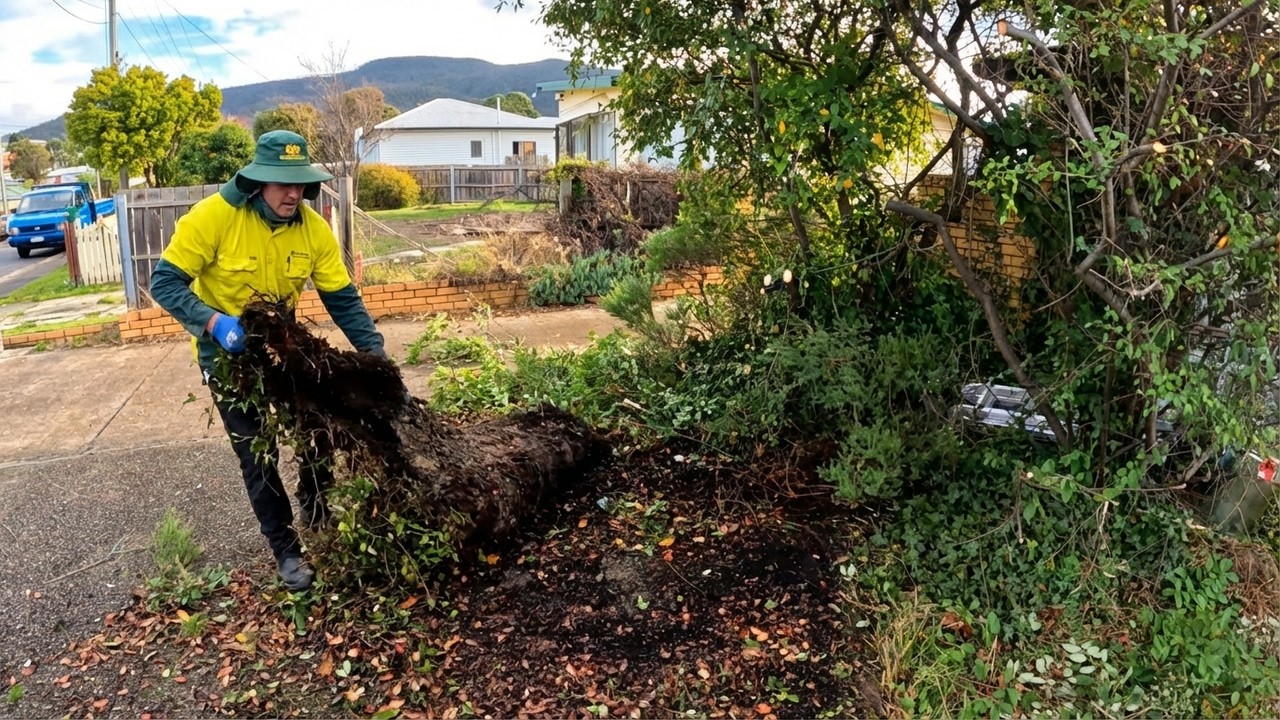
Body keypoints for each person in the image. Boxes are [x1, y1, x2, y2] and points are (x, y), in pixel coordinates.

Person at [151, 130, 386, 591]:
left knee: (317, 431)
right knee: (256, 453)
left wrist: (377, 358)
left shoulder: (313, 228)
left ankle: (316, 508)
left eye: (300, 183)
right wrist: (214, 323)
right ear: (257, 182)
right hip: (228, 354)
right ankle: (286, 550)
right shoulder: (213, 219)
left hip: (283, 346)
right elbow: (165, 283)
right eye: (282, 184)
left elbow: (343, 300)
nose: (293, 193)